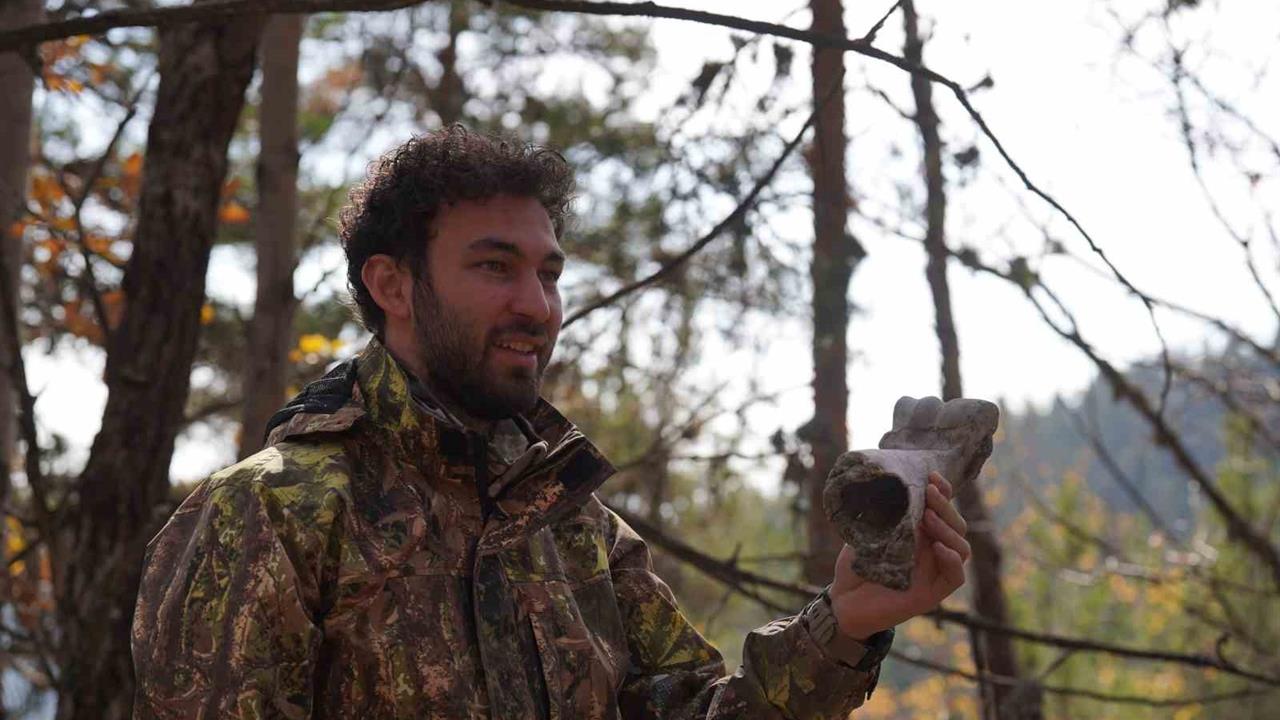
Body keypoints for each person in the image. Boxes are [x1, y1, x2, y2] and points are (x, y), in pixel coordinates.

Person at [131, 125, 972, 719]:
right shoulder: (272, 516)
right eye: (495, 267)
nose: (535, 306)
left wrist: (846, 620)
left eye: (548, 273)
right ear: (392, 286)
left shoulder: (574, 530)